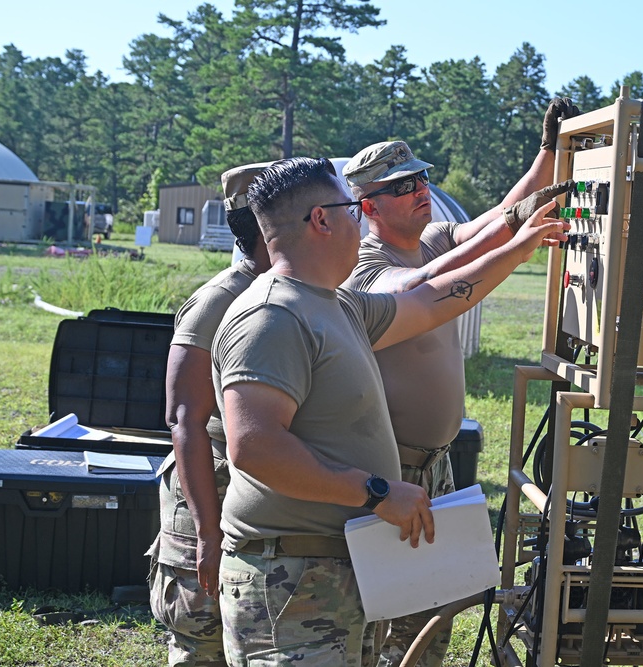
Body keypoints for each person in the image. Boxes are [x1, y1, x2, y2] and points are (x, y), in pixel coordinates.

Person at [212, 157, 567, 667]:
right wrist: (376, 491)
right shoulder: (272, 315)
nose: (360, 220)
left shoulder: (335, 305)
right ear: (321, 220)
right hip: (291, 577)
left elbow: (432, 300)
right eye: (352, 208)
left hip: (331, 566)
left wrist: (521, 242)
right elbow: (256, 445)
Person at [342, 97, 579, 667]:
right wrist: (512, 238)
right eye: (403, 187)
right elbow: (426, 285)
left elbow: (495, 217)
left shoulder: (430, 236)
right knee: (390, 616)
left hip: (437, 462)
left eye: (421, 178)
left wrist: (547, 154)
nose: (420, 189)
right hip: (391, 467)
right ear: (368, 205)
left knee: (436, 606)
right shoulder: (366, 266)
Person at [147, 161, 273, 667]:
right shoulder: (219, 301)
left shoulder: (295, 290)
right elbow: (184, 419)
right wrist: (206, 533)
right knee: (203, 639)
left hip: (251, 498)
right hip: (209, 490)